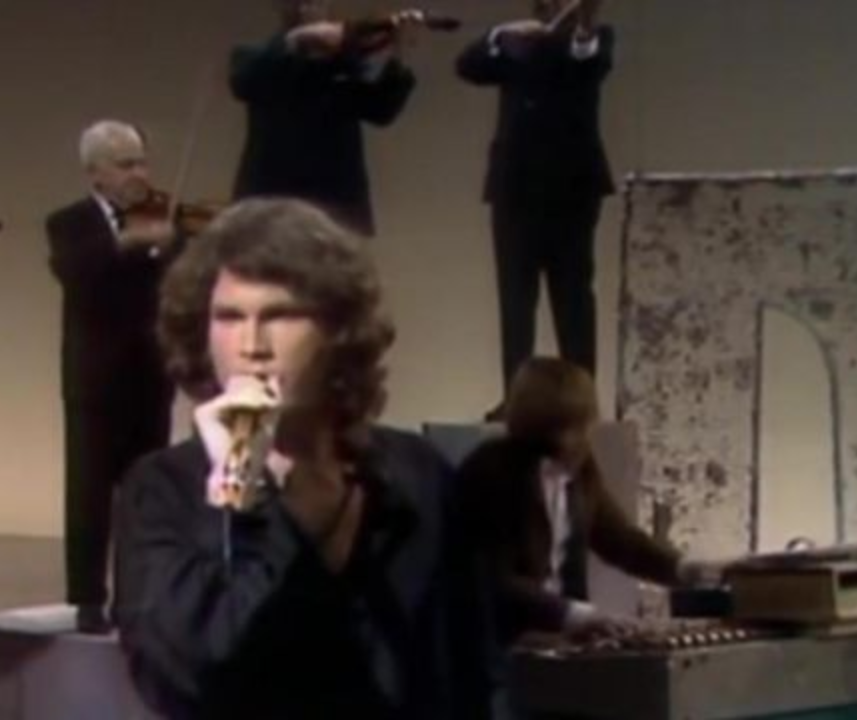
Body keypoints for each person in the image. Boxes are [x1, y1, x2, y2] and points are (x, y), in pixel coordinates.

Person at [114, 198, 490, 719]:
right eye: (228, 317)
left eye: (281, 315)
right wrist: (241, 489)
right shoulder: (162, 491)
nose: (252, 346)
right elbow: (197, 672)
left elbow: (473, 669)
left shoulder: (415, 472)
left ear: (339, 331)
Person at [454, 357, 726, 713]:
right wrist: (577, 615)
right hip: (500, 660)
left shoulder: (581, 469)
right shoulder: (489, 471)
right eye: (572, 427)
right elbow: (491, 581)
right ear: (543, 427)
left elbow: (621, 541)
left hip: (559, 651)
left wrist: (686, 569)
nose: (584, 437)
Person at [45, 120, 179, 634]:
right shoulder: (69, 222)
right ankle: (87, 599)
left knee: (144, 493)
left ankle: (136, 596)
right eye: (125, 165)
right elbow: (76, 273)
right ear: (95, 172)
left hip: (151, 376)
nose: (139, 174)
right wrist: (130, 241)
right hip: (94, 381)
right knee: (89, 492)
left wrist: (173, 246)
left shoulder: (162, 219)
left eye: (142, 162)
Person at [456, 0, 615, 420]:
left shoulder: (591, 40)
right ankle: (515, 396)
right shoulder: (517, 46)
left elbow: (590, 61)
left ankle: (582, 397)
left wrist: (584, 27)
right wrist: (499, 35)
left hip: (572, 188)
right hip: (515, 187)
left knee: (573, 295)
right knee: (515, 296)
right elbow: (468, 67)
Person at [230, 0, 418, 236]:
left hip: (335, 202)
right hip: (271, 197)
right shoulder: (255, 57)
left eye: (318, 3)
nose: (312, 9)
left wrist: (400, 57)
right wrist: (297, 38)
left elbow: (381, 110)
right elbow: (245, 82)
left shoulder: (342, 65)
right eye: (304, 3)